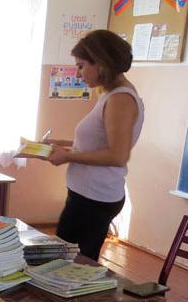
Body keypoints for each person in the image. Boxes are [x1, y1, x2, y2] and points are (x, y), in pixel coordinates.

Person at [44, 30, 144, 261]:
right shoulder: (110, 94)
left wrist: (67, 156)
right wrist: (61, 144)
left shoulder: (120, 99)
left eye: (81, 66)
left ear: (100, 63)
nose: (78, 73)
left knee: (69, 262)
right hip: (87, 194)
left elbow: (117, 155)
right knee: (66, 259)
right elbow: (98, 142)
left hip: (94, 198)